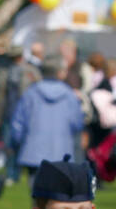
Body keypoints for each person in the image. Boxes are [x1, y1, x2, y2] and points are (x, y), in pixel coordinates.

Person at [8, 53, 84, 185]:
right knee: (57, 198)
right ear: (60, 73)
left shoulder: (31, 93)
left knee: (38, 198)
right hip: (61, 152)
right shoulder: (69, 95)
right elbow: (77, 123)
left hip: (34, 151)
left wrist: (18, 143)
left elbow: (18, 123)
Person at [0, 45, 41, 192]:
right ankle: (11, 174)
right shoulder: (3, 71)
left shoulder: (31, 71)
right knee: (9, 146)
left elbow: (39, 90)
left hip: (26, 115)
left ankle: (21, 174)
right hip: (8, 113)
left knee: (24, 146)